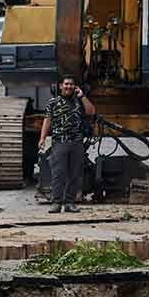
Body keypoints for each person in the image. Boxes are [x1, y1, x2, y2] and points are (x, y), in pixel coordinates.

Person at [38, 75, 96, 213]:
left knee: (74, 173)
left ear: (75, 87)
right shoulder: (53, 102)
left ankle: (69, 203)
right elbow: (47, 121)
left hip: (76, 142)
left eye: (71, 84)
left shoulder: (79, 102)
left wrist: (82, 96)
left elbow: (91, 111)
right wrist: (42, 138)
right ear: (60, 86)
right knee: (58, 173)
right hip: (60, 142)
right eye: (66, 84)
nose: (68, 86)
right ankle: (56, 202)